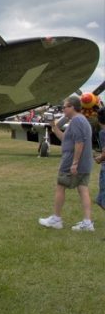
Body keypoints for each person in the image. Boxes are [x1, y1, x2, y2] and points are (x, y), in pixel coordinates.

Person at [38, 95, 95, 231]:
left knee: (60, 186)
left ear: (72, 107)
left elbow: (79, 143)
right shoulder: (81, 120)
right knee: (83, 189)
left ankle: (56, 219)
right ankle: (87, 222)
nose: (63, 109)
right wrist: (53, 126)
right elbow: (65, 139)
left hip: (72, 162)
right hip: (85, 162)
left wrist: (74, 163)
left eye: (65, 107)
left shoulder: (76, 121)